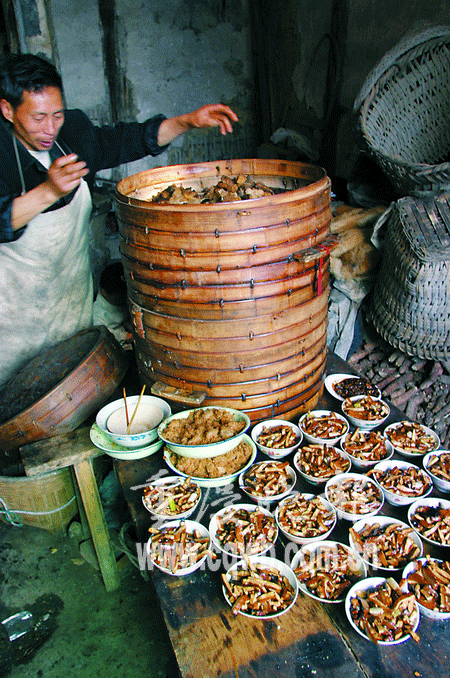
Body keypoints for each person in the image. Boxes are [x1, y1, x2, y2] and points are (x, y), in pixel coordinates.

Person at [0, 53, 238, 387]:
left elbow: (125, 141)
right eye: (38, 117)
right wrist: (49, 191)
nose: (51, 128)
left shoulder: (72, 133)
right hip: (13, 326)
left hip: (70, 308)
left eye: (57, 114)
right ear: (7, 110)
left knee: (74, 395)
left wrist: (187, 122)